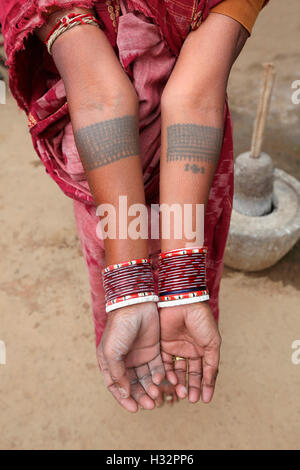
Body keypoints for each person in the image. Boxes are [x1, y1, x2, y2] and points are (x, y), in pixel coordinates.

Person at [0, 0, 268, 412]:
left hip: (191, 159)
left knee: (188, 282)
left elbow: (193, 96)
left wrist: (180, 285)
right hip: (107, 168)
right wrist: (130, 292)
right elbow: (100, 96)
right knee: (128, 280)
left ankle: (167, 346)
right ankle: (148, 344)